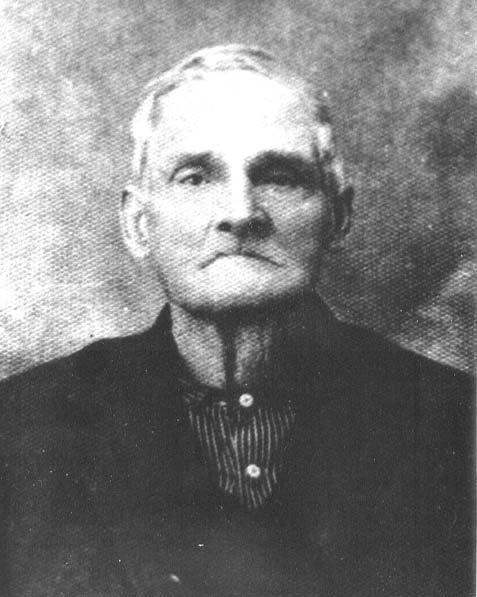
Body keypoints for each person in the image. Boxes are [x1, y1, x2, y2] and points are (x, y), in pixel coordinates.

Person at [0, 45, 473, 596]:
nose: (241, 213)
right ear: (138, 225)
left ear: (338, 216)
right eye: (195, 177)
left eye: (279, 176)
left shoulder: (456, 421)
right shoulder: (19, 427)